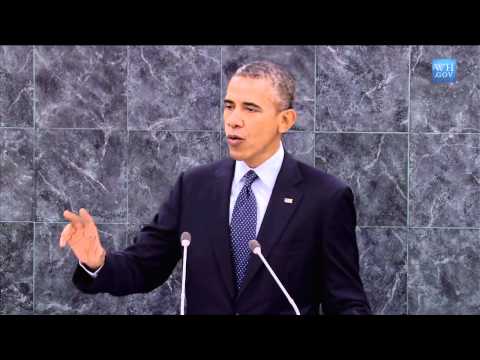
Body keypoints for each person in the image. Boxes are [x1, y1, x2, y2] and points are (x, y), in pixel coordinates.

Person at [60, 61, 371, 315]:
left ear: (285, 120)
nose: (233, 120)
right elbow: (144, 268)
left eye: (250, 109)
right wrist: (96, 259)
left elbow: (346, 301)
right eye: (229, 106)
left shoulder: (325, 197)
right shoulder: (194, 187)